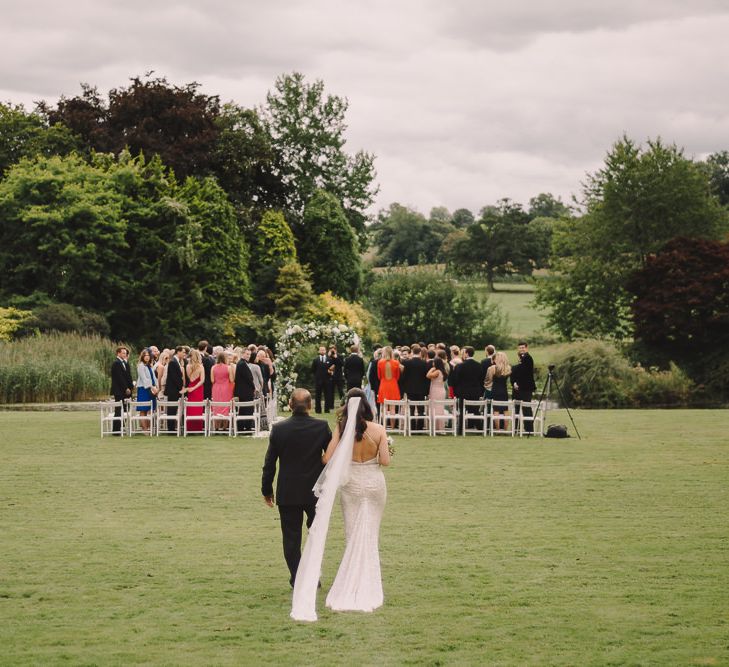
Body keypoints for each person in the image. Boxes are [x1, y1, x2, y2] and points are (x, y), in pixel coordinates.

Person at [321, 388, 390, 613]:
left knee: (352, 533)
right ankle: (367, 576)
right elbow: (385, 462)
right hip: (373, 483)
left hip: (350, 484)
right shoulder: (379, 429)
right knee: (371, 531)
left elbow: (326, 458)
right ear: (367, 405)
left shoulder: (342, 429)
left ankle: (353, 576)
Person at [262, 388, 332, 588]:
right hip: (315, 491)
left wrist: (266, 490)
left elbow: (270, 463)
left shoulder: (280, 429)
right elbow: (331, 457)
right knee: (315, 535)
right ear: (310, 406)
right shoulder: (321, 427)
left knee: (291, 539)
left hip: (288, 491)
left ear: (290, 405)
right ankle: (309, 575)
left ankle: (298, 576)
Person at [450, 346, 485, 434]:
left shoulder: (460, 366)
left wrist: (456, 389)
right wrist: (480, 390)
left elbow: (455, 379)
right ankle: (479, 428)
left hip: (462, 391)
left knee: (462, 410)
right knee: (475, 410)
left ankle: (461, 430)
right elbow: (481, 379)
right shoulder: (478, 365)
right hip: (475, 391)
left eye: (464, 353)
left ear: (467, 354)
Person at [400, 343, 430, 432]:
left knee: (411, 409)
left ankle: (412, 428)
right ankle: (420, 428)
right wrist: (426, 390)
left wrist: (404, 388)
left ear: (412, 352)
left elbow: (404, 377)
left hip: (410, 389)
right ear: (420, 352)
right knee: (421, 410)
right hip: (421, 390)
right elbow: (426, 378)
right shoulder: (424, 363)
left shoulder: (407, 363)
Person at [511, 341, 537, 434]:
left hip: (525, 388)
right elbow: (517, 373)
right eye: (520, 348)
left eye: (523, 347)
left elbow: (524, 374)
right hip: (518, 388)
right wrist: (514, 383)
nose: (521, 349)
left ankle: (529, 429)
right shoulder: (521, 359)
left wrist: (518, 384)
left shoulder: (528, 358)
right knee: (516, 408)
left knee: (526, 408)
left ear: (526, 348)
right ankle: (516, 429)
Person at [110, 346, 134, 434]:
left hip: (125, 391)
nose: (125, 354)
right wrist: (126, 388)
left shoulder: (124, 363)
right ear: (118, 353)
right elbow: (119, 378)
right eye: (123, 353)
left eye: (125, 353)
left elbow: (127, 376)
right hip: (119, 391)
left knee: (125, 409)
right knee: (119, 410)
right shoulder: (116, 363)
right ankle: (116, 430)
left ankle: (122, 427)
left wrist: (131, 387)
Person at [377, 346, 402, 427]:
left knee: (384, 407)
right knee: (393, 408)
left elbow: (379, 376)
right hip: (393, 385)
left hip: (383, 384)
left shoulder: (380, 362)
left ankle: (383, 426)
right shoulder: (396, 363)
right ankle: (392, 426)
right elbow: (398, 377)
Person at [487, 352, 512, 432]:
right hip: (504, 390)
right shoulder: (508, 368)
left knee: (496, 410)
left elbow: (488, 380)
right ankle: (505, 429)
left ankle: (497, 429)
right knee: (505, 410)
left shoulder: (492, 368)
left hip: (495, 390)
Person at [164, 346, 187, 432]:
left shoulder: (176, 361)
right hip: (173, 390)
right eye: (183, 352)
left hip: (175, 389)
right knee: (172, 409)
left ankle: (172, 427)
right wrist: (181, 387)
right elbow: (175, 377)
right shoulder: (173, 362)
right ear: (178, 352)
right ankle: (171, 428)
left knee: (173, 408)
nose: (184, 354)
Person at [211, 351, 235, 431]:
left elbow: (212, 380)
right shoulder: (228, 367)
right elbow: (231, 380)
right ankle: (225, 427)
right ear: (225, 358)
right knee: (226, 406)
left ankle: (216, 426)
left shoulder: (213, 367)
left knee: (217, 406)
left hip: (216, 388)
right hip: (226, 388)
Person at [135, 348, 158, 432]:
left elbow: (154, 378)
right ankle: (145, 429)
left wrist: (157, 387)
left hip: (152, 389)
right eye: (145, 356)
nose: (147, 357)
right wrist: (152, 388)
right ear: (142, 357)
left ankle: (149, 428)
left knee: (150, 409)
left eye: (148, 355)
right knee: (143, 409)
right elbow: (144, 379)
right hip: (143, 389)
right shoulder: (141, 366)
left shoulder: (149, 366)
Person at [234, 348, 256, 432]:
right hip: (245, 391)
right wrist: (254, 387)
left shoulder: (241, 363)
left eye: (249, 354)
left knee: (244, 409)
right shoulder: (242, 364)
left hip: (243, 390)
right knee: (247, 408)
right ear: (242, 354)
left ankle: (242, 426)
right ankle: (246, 426)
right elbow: (249, 378)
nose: (248, 356)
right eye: (247, 354)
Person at [427, 350, 449, 431]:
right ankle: (440, 427)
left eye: (434, 363)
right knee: (440, 408)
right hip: (441, 390)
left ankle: (436, 427)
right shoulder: (443, 371)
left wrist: (432, 369)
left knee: (435, 408)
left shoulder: (437, 371)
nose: (432, 364)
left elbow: (428, 375)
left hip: (435, 390)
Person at [184, 350, 205, 432]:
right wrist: (195, 388)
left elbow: (191, 379)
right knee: (197, 407)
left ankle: (190, 428)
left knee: (191, 407)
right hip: (199, 389)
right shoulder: (201, 367)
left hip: (191, 387)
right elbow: (202, 380)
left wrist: (192, 388)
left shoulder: (187, 366)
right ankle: (197, 428)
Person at [311, 346, 332, 413]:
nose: (322, 351)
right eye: (321, 350)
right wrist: (316, 377)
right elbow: (313, 370)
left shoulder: (329, 359)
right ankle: (318, 410)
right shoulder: (315, 360)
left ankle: (327, 409)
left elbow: (332, 369)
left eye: (323, 350)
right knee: (318, 396)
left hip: (327, 380)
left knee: (327, 395)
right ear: (319, 351)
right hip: (318, 380)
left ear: (325, 351)